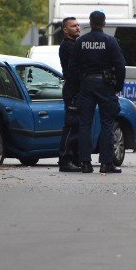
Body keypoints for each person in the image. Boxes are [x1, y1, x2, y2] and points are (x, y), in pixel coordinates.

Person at [69, 10, 126, 174]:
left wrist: (76, 87)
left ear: (90, 22)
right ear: (104, 23)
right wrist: (118, 87)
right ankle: (106, 163)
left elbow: (73, 67)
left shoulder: (81, 42)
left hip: (86, 85)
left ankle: (85, 163)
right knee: (107, 124)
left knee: (85, 125)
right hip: (105, 85)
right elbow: (120, 66)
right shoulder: (110, 41)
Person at [57, 17, 82, 172]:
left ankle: (75, 159)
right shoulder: (68, 46)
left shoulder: (75, 45)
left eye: (78, 25)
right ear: (65, 30)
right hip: (72, 90)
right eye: (73, 26)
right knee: (72, 126)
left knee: (78, 127)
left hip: (77, 91)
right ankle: (65, 160)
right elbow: (75, 69)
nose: (78, 27)